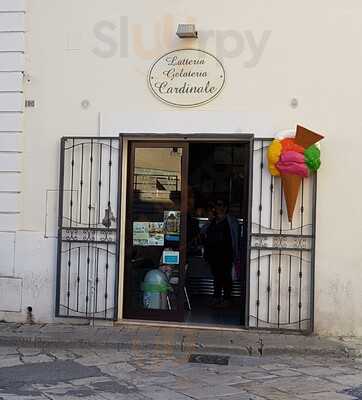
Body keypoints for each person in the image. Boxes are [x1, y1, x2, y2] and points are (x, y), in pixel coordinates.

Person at [204, 199, 240, 308]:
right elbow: (203, 231)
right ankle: (216, 297)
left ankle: (227, 299)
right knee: (216, 276)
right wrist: (209, 220)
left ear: (225, 207)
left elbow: (236, 238)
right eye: (216, 205)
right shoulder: (213, 220)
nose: (217, 207)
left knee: (226, 276)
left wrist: (236, 253)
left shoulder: (231, 221)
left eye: (220, 205)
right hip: (213, 254)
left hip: (226, 254)